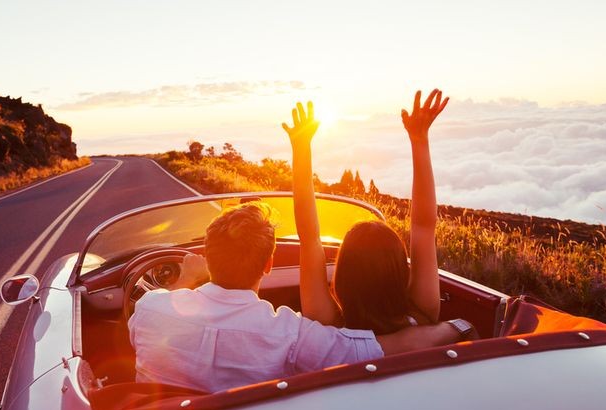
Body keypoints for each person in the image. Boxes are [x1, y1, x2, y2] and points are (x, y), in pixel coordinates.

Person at [129, 199, 467, 394]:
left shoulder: (148, 309)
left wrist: (187, 279)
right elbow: (383, 348)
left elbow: (166, 307)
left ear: (207, 256)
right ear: (269, 264)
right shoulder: (290, 335)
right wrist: (454, 327)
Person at [284, 90, 476, 338]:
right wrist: (419, 139)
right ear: (401, 275)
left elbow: (309, 236)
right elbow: (423, 228)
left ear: (342, 280)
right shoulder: (423, 315)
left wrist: (301, 147)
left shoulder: (330, 327)